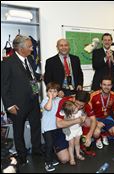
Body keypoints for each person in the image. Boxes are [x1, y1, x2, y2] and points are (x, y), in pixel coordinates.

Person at [1, 35, 42, 165]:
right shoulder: (7, 63)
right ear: (20, 48)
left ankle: (37, 151)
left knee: (36, 126)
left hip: (33, 100)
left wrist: (39, 76)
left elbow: (28, 75)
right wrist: (9, 105)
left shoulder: (28, 58)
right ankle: (22, 156)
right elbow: (4, 85)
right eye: (29, 47)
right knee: (19, 132)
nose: (32, 49)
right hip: (17, 104)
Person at [55, 91, 94, 164]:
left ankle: (78, 153)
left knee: (89, 121)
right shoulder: (65, 102)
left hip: (77, 130)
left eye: (81, 106)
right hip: (64, 130)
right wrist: (77, 120)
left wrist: (89, 135)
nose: (78, 107)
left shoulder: (86, 105)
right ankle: (60, 149)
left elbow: (93, 120)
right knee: (65, 159)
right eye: (77, 104)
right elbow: (58, 124)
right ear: (74, 98)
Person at [89, 77, 114, 148]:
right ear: (100, 85)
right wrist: (96, 122)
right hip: (96, 118)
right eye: (104, 84)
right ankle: (98, 138)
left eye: (108, 85)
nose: (106, 87)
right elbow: (89, 112)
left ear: (111, 86)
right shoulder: (93, 95)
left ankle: (105, 135)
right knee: (96, 133)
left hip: (107, 117)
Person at [40, 82, 61, 172]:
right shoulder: (45, 100)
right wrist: (50, 98)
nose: (52, 93)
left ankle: (52, 159)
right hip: (47, 127)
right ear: (47, 92)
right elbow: (48, 108)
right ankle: (47, 162)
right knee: (49, 144)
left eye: (54, 91)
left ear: (58, 92)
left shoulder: (59, 99)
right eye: (50, 91)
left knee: (52, 144)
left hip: (55, 126)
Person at [60, 101, 85, 165]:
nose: (76, 109)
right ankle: (72, 158)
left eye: (75, 107)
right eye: (74, 109)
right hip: (70, 131)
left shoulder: (79, 112)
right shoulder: (67, 115)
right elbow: (61, 113)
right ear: (70, 112)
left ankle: (78, 154)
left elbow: (83, 116)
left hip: (78, 129)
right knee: (71, 145)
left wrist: (83, 119)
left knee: (77, 143)